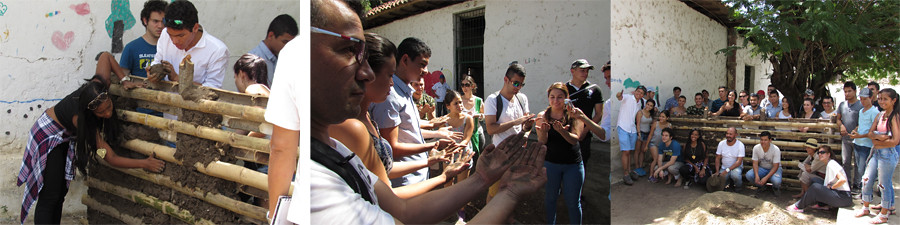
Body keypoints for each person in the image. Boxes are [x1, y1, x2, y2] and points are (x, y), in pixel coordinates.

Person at [304, 1, 548, 223]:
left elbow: (401, 208)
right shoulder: (320, 185)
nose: (365, 73)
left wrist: (481, 179)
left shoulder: (339, 150)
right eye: (348, 50)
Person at [328, 33, 465, 201]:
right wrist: (434, 152)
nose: (391, 82)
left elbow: (384, 167)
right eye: (388, 74)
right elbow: (392, 155)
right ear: (366, 74)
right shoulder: (382, 102)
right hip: (405, 183)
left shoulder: (379, 109)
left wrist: (432, 139)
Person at [17, 77, 165, 224]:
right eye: (101, 113)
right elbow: (110, 157)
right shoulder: (81, 120)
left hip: (63, 137)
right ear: (90, 111)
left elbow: (105, 57)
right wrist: (144, 163)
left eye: (109, 107)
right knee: (51, 194)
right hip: (47, 136)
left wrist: (124, 79)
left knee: (60, 192)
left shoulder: (98, 88)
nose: (107, 114)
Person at [370, 37, 458, 188]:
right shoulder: (390, 95)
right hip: (405, 179)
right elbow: (392, 148)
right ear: (405, 60)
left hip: (417, 172)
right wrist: (433, 145)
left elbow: (409, 131)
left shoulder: (404, 92)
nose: (426, 71)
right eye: (422, 64)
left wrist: (434, 129)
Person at [534, 82, 585, 224]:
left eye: (560, 97)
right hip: (551, 164)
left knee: (573, 202)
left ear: (566, 97)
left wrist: (562, 131)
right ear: (548, 98)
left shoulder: (574, 114)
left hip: (573, 165)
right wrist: (544, 133)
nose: (556, 101)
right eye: (552, 97)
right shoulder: (543, 115)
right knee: (550, 199)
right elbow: (542, 141)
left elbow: (575, 140)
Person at [149, 0, 229, 89]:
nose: (174, 41)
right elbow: (157, 61)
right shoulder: (164, 34)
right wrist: (152, 72)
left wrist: (177, 78)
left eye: (181, 35)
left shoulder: (217, 50)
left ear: (195, 28)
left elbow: (213, 90)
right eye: (170, 35)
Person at [484, 63, 535, 202]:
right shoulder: (493, 100)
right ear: (506, 79)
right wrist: (515, 122)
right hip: (500, 154)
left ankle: (506, 217)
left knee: (512, 191)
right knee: (495, 191)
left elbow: (524, 127)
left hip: (518, 153)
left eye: (521, 85)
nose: (518, 88)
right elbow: (490, 128)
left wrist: (526, 128)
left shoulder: (522, 98)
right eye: (516, 83)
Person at [856, 88, 900, 224]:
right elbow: (870, 133)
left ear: (894, 100)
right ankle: (865, 206)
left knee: (883, 184)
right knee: (866, 179)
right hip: (876, 152)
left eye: (885, 99)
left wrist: (877, 139)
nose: (881, 101)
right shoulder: (880, 115)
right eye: (880, 99)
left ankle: (884, 213)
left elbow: (895, 140)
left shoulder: (894, 117)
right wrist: (881, 138)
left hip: (887, 155)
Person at [786, 146, 853, 213]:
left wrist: (832, 187)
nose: (820, 154)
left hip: (843, 198)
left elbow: (842, 179)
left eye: (822, 152)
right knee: (815, 180)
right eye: (818, 153)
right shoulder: (829, 163)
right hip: (839, 194)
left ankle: (798, 206)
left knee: (815, 187)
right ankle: (822, 205)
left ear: (828, 154)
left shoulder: (831, 164)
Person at [566, 59, 604, 168]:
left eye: (587, 71)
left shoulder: (595, 90)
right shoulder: (563, 89)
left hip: (585, 137)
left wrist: (585, 131)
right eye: (582, 70)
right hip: (565, 133)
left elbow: (598, 114)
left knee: (581, 165)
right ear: (572, 71)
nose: (585, 73)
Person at [119, 0, 167, 78]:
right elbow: (123, 79)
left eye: (163, 21)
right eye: (155, 21)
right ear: (145, 21)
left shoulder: (172, 47)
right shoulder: (131, 48)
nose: (160, 26)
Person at [248, 14, 297, 86]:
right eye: (284, 42)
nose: (288, 47)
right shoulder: (252, 60)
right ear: (270, 36)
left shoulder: (286, 59)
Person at [849, 88, 879, 192]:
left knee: (864, 169)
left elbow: (874, 131)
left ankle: (865, 190)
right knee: (858, 168)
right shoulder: (861, 111)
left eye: (865, 99)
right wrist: (855, 130)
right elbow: (861, 125)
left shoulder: (875, 112)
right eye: (861, 99)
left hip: (867, 145)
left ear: (871, 98)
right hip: (858, 143)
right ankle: (861, 189)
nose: (862, 101)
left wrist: (859, 136)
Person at [615, 86, 646, 185]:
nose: (639, 94)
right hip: (623, 127)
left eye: (641, 93)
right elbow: (619, 97)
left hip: (632, 129)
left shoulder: (641, 102)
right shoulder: (628, 97)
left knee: (629, 151)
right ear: (635, 91)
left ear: (643, 95)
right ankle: (625, 174)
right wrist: (619, 95)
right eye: (638, 91)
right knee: (626, 151)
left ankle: (629, 171)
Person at [835, 81, 862, 190]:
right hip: (845, 138)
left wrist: (857, 128)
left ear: (855, 91)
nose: (847, 94)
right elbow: (838, 119)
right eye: (845, 91)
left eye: (849, 91)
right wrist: (841, 125)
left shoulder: (861, 105)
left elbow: (864, 121)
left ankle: (857, 185)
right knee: (845, 162)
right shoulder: (842, 105)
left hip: (858, 139)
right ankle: (847, 184)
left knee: (858, 163)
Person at [745, 131, 783, 197]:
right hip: (762, 167)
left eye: (765, 140)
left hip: (774, 169)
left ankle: (775, 188)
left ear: (770, 140)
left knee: (776, 181)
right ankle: (761, 186)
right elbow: (755, 163)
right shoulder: (756, 148)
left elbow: (776, 166)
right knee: (749, 175)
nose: (763, 142)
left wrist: (766, 178)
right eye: (761, 140)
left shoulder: (776, 149)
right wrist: (756, 176)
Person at [460, 75, 485, 159]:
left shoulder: (478, 100)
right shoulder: (459, 100)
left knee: (479, 157)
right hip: (463, 133)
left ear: (472, 86)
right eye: (462, 85)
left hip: (477, 132)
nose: (464, 87)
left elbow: (485, 115)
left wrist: (478, 115)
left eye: (467, 85)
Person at [713, 127, 745, 192]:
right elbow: (717, 158)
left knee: (735, 175)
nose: (728, 136)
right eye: (727, 133)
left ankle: (738, 188)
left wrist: (727, 170)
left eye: (730, 134)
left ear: (736, 135)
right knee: (720, 180)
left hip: (736, 167)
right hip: (724, 167)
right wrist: (717, 171)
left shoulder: (740, 145)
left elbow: (739, 162)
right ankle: (727, 185)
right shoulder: (721, 143)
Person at [646, 110, 672, 180]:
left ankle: (658, 173)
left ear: (667, 118)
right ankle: (651, 175)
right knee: (655, 159)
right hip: (653, 144)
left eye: (663, 117)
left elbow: (670, 137)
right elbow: (650, 134)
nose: (661, 118)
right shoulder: (655, 124)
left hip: (662, 146)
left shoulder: (669, 126)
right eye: (660, 116)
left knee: (661, 160)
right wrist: (646, 145)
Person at [635, 99, 656, 176]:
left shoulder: (651, 114)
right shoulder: (640, 112)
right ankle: (637, 167)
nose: (649, 107)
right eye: (648, 104)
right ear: (645, 104)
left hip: (647, 134)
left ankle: (640, 166)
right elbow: (638, 124)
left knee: (643, 151)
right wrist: (639, 133)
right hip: (640, 133)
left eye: (651, 106)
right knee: (637, 151)